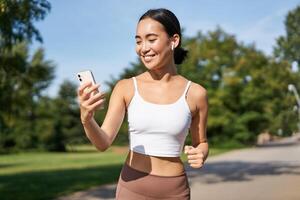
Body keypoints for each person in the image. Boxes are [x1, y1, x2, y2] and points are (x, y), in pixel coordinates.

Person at [77, 8, 209, 200]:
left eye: (151, 39)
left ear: (174, 41)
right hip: (132, 188)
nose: (143, 48)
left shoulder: (196, 93)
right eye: (138, 41)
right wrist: (87, 119)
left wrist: (201, 154)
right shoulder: (125, 87)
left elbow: (201, 142)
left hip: (174, 191)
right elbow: (103, 143)